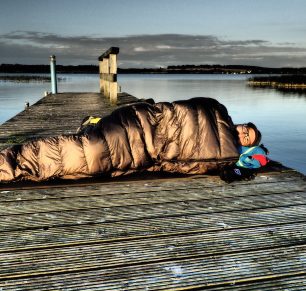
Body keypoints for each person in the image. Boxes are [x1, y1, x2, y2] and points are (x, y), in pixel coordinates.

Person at [0, 97, 267, 183]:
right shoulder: (216, 111)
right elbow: (178, 110)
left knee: (80, 164)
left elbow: (248, 164)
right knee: (85, 153)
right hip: (134, 128)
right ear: (240, 122)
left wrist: (246, 161)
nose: (242, 133)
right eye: (245, 128)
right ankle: (7, 165)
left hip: (140, 151)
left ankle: (9, 166)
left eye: (247, 138)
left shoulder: (228, 155)